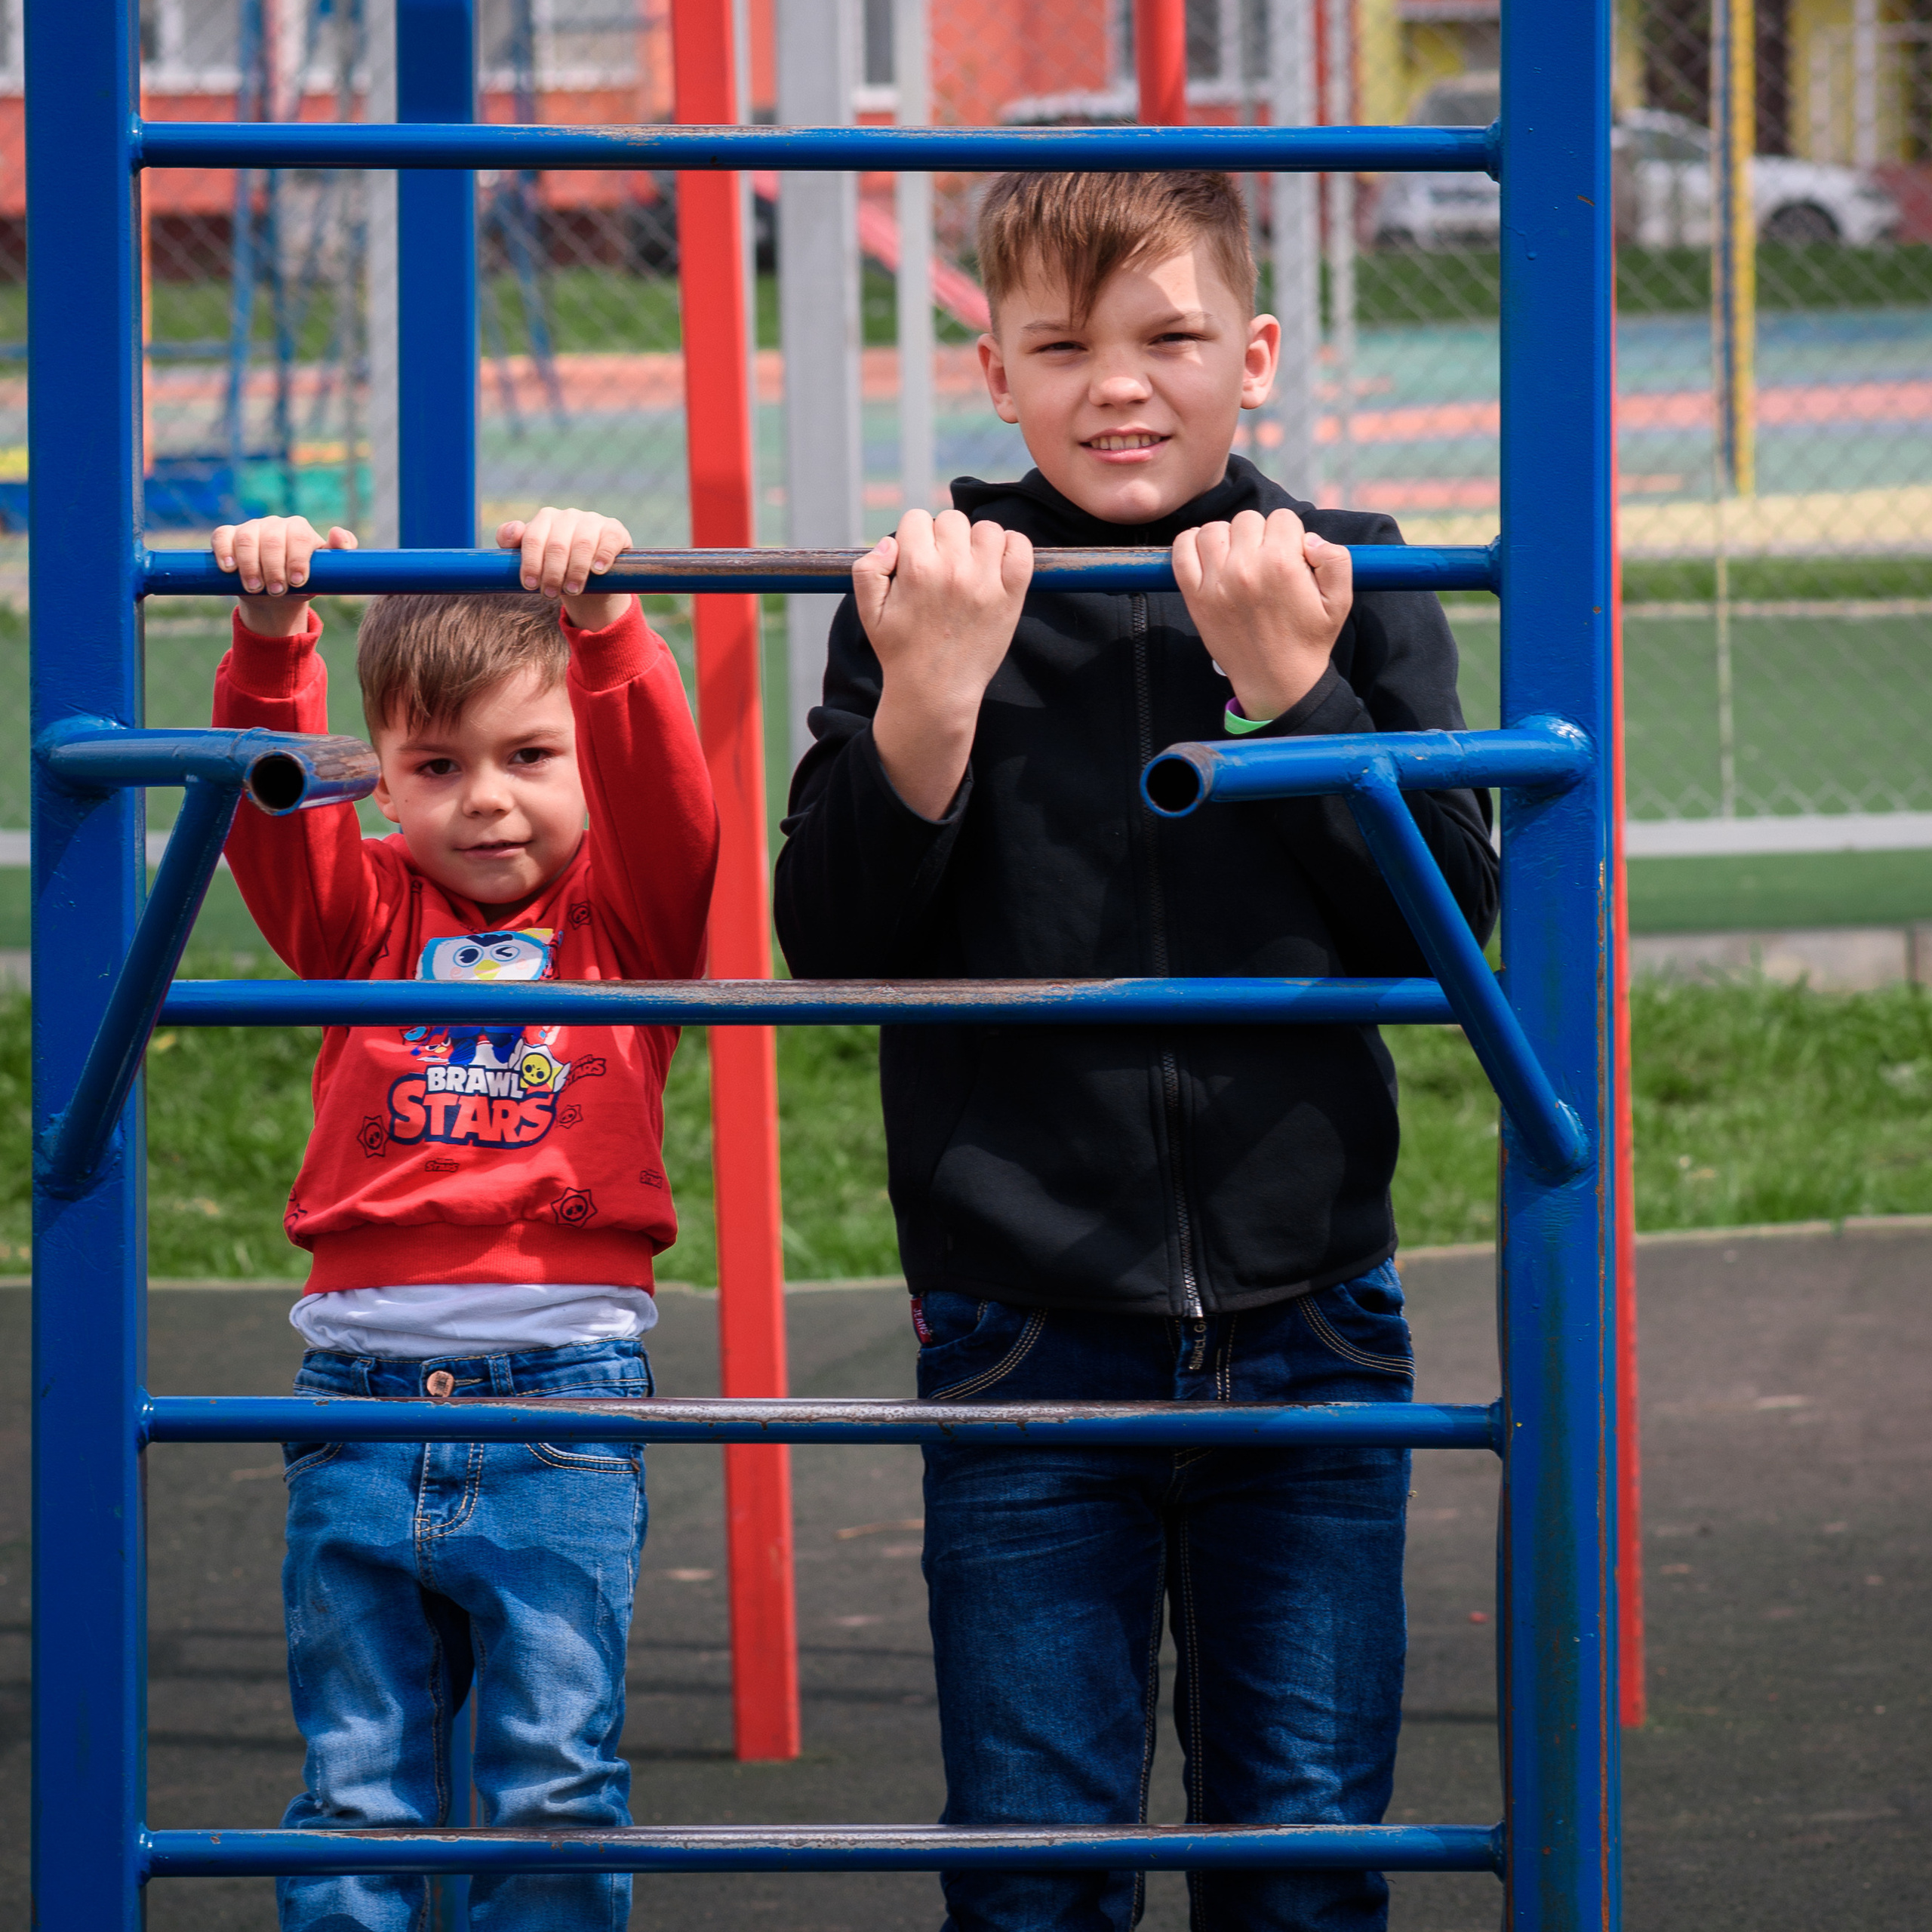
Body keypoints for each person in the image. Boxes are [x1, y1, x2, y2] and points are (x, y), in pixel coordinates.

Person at [774, 171, 1497, 1932]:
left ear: (1252, 355)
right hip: (1023, 1323)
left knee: (1301, 1851)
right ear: (993, 373)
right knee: (1034, 1863)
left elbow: (1449, 928)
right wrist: (929, 696)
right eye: (1059, 347)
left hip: (1308, 1315)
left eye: (1169, 337)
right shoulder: (927, 591)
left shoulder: (1349, 574)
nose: (1116, 384)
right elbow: (837, 944)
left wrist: (1298, 695)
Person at [210, 506, 718, 1932]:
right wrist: (272, 636)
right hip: (358, 1397)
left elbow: (673, 804)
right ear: (382, 778)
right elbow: (271, 816)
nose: (486, 801)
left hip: (563, 1395)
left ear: (587, 760)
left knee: (553, 1776)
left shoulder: (627, 921)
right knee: (357, 1780)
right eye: (437, 767)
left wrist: (607, 628)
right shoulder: (362, 917)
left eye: (531, 756)